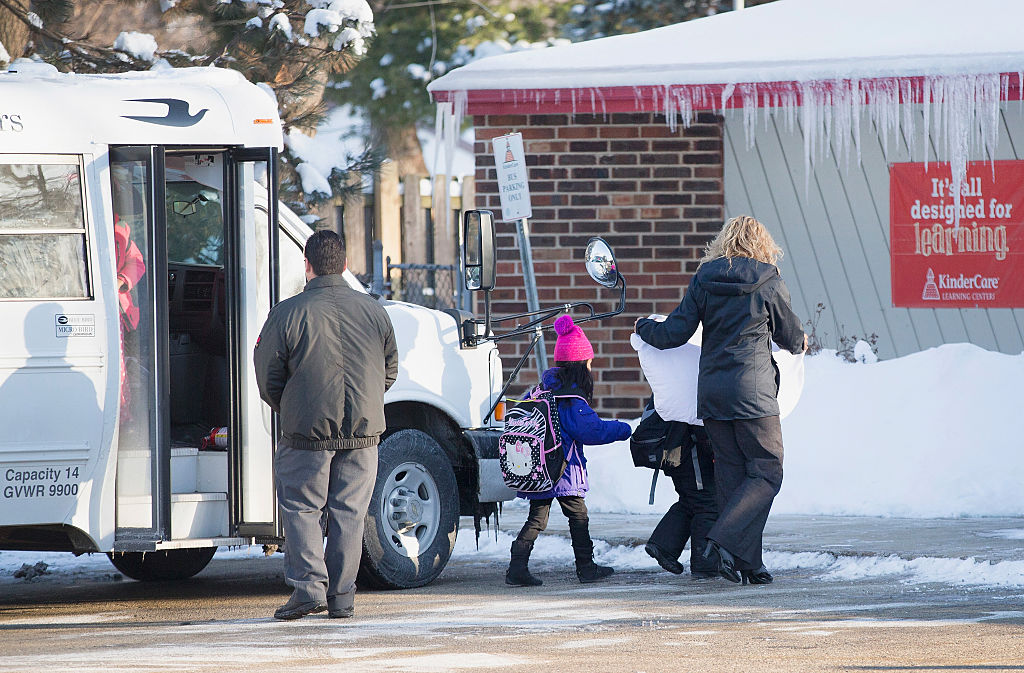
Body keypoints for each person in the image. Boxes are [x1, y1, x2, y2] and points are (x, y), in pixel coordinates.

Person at [634, 215, 806, 585]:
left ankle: (747, 565)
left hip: (712, 396)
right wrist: (803, 340)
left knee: (733, 479)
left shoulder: (704, 279)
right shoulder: (768, 280)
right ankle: (722, 543)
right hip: (753, 396)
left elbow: (675, 333)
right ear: (762, 243)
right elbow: (791, 338)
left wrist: (643, 327)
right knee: (767, 472)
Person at [254, 230, 398, 620]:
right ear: (345, 264)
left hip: (306, 433)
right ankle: (342, 597)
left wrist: (291, 406)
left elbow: (268, 377)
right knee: (350, 512)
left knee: (302, 508)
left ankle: (307, 590)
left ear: (308, 265)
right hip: (364, 431)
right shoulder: (374, 311)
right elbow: (390, 371)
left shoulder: (286, 312)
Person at [505, 314, 632, 587]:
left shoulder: (539, 391)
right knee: (578, 516)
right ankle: (586, 567)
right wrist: (624, 429)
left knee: (537, 519)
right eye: (588, 362)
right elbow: (592, 431)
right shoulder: (572, 400)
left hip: (539, 468)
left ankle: (517, 567)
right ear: (580, 365)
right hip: (564, 469)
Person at [644, 418, 719, 579]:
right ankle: (705, 566)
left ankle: (663, 546)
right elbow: (698, 421)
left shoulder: (670, 391)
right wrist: (714, 449)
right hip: (692, 452)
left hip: (677, 448)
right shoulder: (691, 392)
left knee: (689, 499)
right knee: (707, 504)